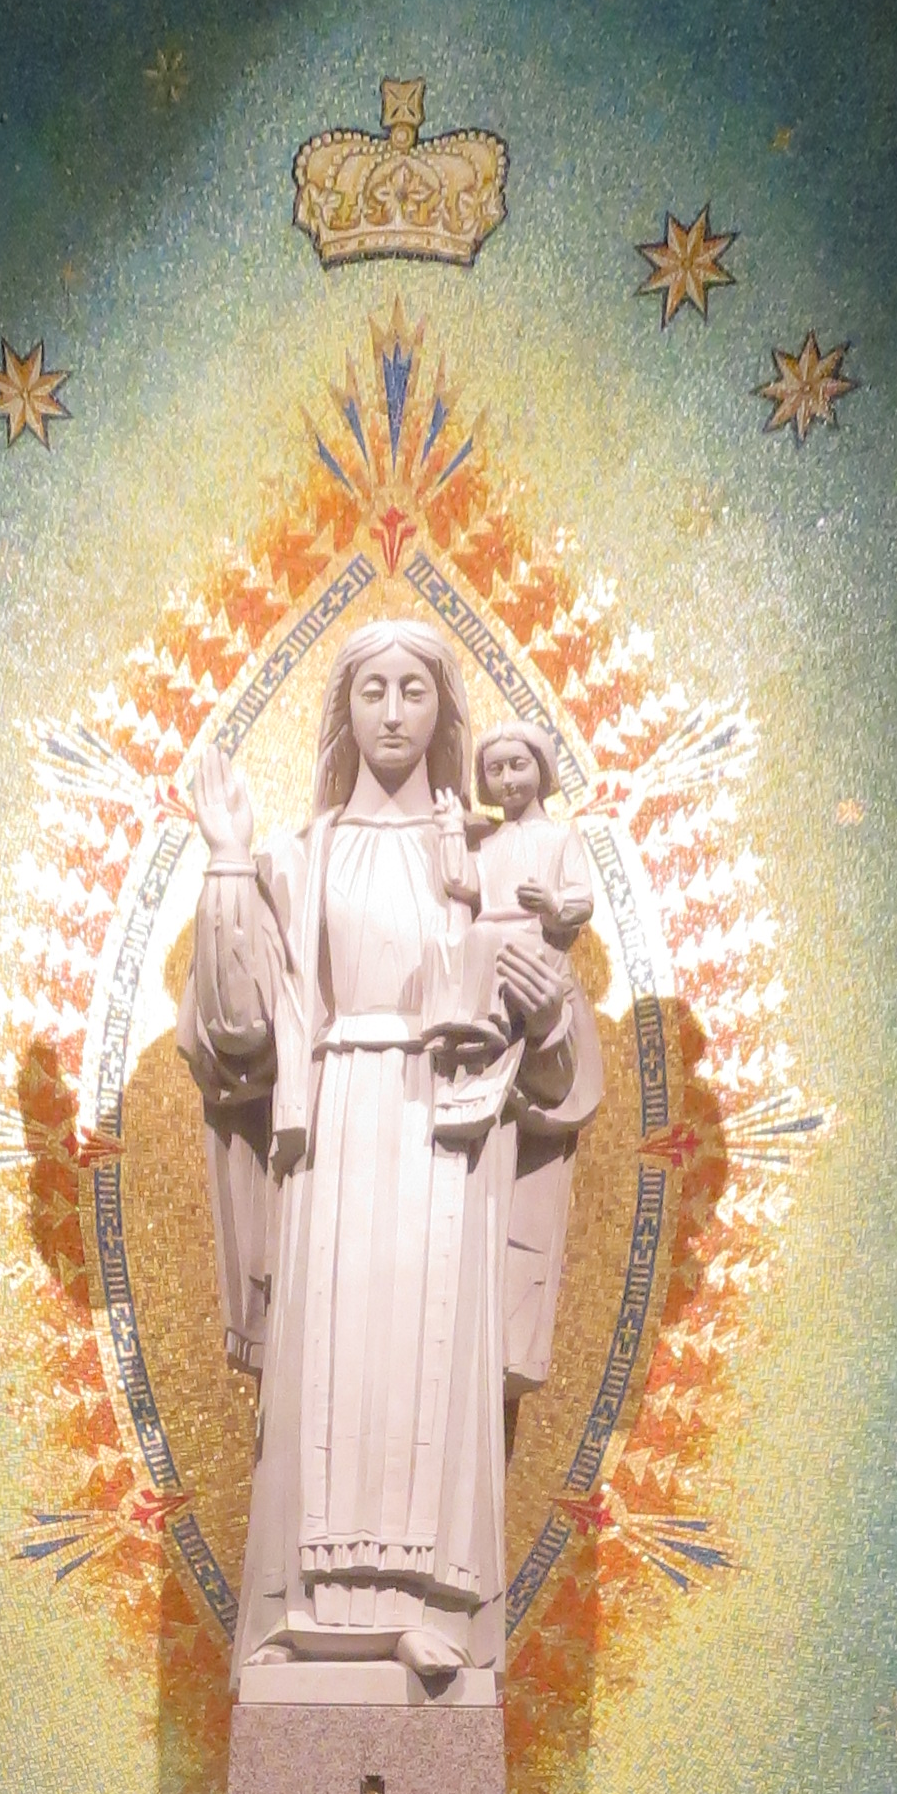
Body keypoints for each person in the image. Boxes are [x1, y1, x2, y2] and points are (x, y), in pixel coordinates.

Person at [177, 619, 590, 1693]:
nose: (395, 712)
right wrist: (227, 859)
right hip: (334, 1127)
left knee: (429, 1364)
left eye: (415, 690)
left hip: (448, 1138)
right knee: (329, 1364)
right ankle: (311, 1613)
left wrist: (546, 1010)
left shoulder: (490, 860)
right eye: (374, 691)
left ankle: (424, 1608)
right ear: (345, 711)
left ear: (443, 712)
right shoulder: (297, 858)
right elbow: (233, 1035)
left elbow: (557, 1073)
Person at [466, 720, 604, 1409]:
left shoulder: (557, 839)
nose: (507, 780)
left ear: (541, 770)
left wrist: (553, 908)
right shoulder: (483, 843)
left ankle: (508, 1342)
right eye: (494, 770)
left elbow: (578, 898)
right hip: (480, 976)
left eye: (518, 766)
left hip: (536, 968)